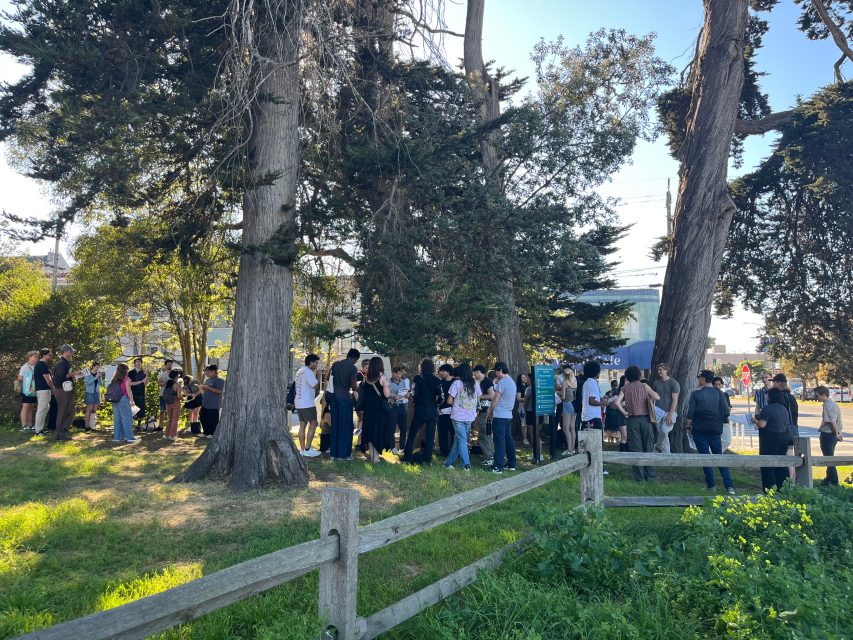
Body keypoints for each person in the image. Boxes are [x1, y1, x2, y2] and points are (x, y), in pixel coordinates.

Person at [686, 370, 736, 494]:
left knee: (705, 457)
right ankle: (729, 485)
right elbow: (726, 411)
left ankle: (711, 485)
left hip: (700, 428)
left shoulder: (696, 394)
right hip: (715, 429)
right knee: (719, 456)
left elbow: (690, 413)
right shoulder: (719, 394)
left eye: (699, 377)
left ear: (703, 379)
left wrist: (688, 427)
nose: (698, 380)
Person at [614, 366, 660, 482]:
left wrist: (625, 412)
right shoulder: (644, 386)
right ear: (639, 375)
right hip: (645, 419)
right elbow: (657, 397)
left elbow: (617, 402)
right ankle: (651, 476)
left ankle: (639, 477)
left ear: (627, 376)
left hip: (632, 420)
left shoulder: (625, 388)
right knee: (648, 447)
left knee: (635, 448)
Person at [751, 387, 793, 491]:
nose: (766, 397)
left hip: (769, 440)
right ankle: (783, 487)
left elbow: (762, 424)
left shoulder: (767, 409)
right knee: (781, 464)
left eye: (767, 395)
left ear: (770, 397)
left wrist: (754, 420)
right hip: (783, 438)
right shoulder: (784, 409)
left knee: (767, 464)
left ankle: (768, 488)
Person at [404, 358, 442, 464]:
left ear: (422, 367)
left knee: (412, 433)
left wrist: (415, 402)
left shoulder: (417, 378)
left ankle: (407, 456)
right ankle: (427, 459)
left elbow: (413, 392)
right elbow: (441, 396)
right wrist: (437, 405)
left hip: (420, 409)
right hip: (432, 410)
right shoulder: (437, 380)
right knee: (430, 436)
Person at [444, 363, 481, 470]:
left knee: (461, 439)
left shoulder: (457, 383)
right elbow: (478, 398)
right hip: (470, 416)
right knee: (459, 439)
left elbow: (449, 400)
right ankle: (448, 463)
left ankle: (466, 464)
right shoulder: (475, 383)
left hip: (458, 416)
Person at [359, 356, 394, 463]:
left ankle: (372, 456)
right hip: (379, 408)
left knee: (370, 431)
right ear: (380, 365)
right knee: (378, 431)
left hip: (369, 408)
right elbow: (387, 394)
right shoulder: (382, 377)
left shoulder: (366, 378)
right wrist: (395, 395)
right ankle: (376, 457)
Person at [330, 348, 360, 460]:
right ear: (354, 358)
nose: (355, 362)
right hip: (344, 398)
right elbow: (354, 386)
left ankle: (333, 453)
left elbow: (329, 380)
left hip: (333, 398)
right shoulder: (352, 368)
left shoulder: (335, 364)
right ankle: (343, 454)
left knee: (335, 426)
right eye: (356, 360)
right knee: (345, 427)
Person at [487, 362, 517, 474]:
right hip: (508, 415)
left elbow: (495, 399)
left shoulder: (502, 382)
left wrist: (489, 411)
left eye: (496, 371)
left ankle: (497, 466)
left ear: (500, 370)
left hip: (500, 415)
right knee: (508, 440)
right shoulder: (511, 381)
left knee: (499, 441)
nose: (495, 373)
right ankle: (511, 464)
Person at [773, 373, 799, 480]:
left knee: (786, 458)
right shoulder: (792, 397)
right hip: (793, 429)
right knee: (791, 456)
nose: (773, 384)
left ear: (779, 383)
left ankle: (789, 482)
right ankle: (792, 480)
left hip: (784, 431)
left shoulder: (781, 397)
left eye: (774, 382)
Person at [815, 386, 844, 486]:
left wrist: (836, 434)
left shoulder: (828, 405)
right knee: (828, 457)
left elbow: (832, 422)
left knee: (829, 459)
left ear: (823, 395)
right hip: (830, 434)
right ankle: (828, 479)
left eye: (817, 395)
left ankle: (834, 482)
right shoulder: (831, 403)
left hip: (828, 435)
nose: (816, 397)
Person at [295, 354, 321, 457]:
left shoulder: (300, 371)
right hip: (307, 403)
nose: (317, 365)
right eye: (316, 363)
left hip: (299, 402)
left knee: (302, 425)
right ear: (310, 363)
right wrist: (319, 375)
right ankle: (307, 448)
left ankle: (302, 449)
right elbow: (315, 385)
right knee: (314, 424)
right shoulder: (308, 371)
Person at [52, 344, 79, 441]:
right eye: (71, 352)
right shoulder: (61, 363)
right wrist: (73, 373)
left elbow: (65, 376)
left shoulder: (66, 363)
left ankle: (63, 431)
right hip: (62, 390)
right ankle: (59, 434)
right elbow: (59, 378)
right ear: (65, 352)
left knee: (71, 411)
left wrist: (74, 375)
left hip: (66, 390)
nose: (72, 353)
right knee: (63, 411)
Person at [652, 363, 681, 454]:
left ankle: (657, 447)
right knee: (662, 433)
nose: (659, 371)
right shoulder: (656, 383)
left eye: (661, 369)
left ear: (666, 370)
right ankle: (666, 453)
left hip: (669, 412)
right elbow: (653, 397)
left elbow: (675, 400)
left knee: (664, 431)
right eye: (658, 370)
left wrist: (670, 414)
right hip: (658, 412)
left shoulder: (674, 383)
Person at [108, 363, 140, 443]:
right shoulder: (127, 379)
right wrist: (132, 401)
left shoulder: (114, 379)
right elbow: (129, 391)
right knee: (127, 419)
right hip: (123, 399)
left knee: (117, 419)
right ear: (125, 371)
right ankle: (129, 437)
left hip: (115, 400)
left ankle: (117, 438)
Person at [473, 365, 496, 465]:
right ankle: (487, 456)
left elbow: (492, 395)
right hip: (480, 411)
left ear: (479, 372)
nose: (474, 374)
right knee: (482, 434)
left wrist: (479, 397)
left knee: (485, 434)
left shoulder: (487, 381)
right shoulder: (478, 382)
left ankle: (489, 457)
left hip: (486, 411)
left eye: (475, 372)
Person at [389, 365, 412, 455]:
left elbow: (408, 392)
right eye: (396, 373)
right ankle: (392, 447)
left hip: (402, 406)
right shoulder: (388, 382)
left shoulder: (404, 382)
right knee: (392, 428)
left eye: (400, 373)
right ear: (392, 373)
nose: (398, 375)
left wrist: (408, 394)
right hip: (393, 406)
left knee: (404, 428)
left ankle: (402, 448)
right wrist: (394, 396)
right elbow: (387, 395)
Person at [199, 364, 225, 438]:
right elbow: (205, 389)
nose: (206, 373)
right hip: (205, 403)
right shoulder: (208, 379)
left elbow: (219, 391)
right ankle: (205, 432)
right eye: (205, 371)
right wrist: (201, 388)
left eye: (208, 371)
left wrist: (208, 387)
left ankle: (212, 433)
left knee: (213, 419)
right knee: (203, 417)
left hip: (214, 404)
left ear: (214, 371)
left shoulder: (219, 380)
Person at [33, 348, 54, 435]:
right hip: (43, 390)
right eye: (50, 355)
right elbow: (48, 380)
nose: (51, 356)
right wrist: (54, 388)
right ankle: (38, 430)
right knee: (42, 409)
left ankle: (40, 428)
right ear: (44, 355)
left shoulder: (41, 364)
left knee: (45, 408)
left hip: (43, 389)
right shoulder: (42, 365)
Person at [604, 378, 627, 452]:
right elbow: (613, 405)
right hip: (620, 415)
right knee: (624, 436)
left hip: (616, 415)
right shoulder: (618, 391)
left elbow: (610, 405)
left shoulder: (610, 392)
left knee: (624, 436)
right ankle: (623, 452)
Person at [580, 361, 605, 430]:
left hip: (587, 416)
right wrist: (603, 403)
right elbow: (592, 401)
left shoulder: (587, 382)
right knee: (596, 440)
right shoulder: (592, 383)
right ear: (596, 372)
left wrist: (601, 399)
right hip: (593, 417)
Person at [17, 351, 38, 432]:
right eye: (34, 356)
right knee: (25, 407)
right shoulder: (25, 367)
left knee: (31, 407)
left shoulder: (36, 366)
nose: (36, 358)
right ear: (29, 357)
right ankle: (24, 426)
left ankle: (29, 426)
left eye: (37, 356)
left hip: (34, 390)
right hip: (26, 390)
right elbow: (19, 378)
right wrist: (30, 377)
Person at [436, 364, 455, 456]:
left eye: (444, 371)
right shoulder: (439, 383)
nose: (441, 373)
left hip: (455, 410)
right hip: (442, 410)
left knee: (453, 431)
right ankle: (443, 451)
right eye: (440, 371)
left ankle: (454, 450)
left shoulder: (456, 382)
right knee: (442, 431)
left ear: (449, 372)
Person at [560, 367, 577, 454]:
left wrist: (558, 394)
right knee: (572, 427)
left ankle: (569, 449)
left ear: (564, 375)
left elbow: (563, 397)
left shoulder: (564, 383)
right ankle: (573, 448)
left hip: (567, 404)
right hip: (574, 405)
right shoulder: (574, 383)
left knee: (566, 428)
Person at [128, 358, 149, 430]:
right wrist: (140, 382)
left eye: (140, 362)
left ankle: (139, 425)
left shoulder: (144, 372)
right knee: (131, 409)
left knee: (140, 409)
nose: (138, 363)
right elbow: (129, 383)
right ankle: (130, 425)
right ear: (134, 364)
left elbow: (145, 383)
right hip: (132, 393)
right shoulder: (131, 372)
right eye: (137, 362)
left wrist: (147, 375)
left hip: (141, 393)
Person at [713, 376, 733, 451]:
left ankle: (716, 452)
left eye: (719, 384)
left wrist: (727, 409)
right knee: (715, 439)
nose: (717, 386)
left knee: (727, 440)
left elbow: (729, 407)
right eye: (715, 384)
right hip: (713, 421)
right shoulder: (710, 395)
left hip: (724, 420)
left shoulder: (725, 395)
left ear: (722, 385)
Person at [83, 362, 105, 431]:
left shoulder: (98, 374)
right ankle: (86, 426)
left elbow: (101, 384)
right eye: (97, 367)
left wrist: (100, 378)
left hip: (96, 393)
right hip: (89, 393)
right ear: (93, 367)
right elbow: (88, 383)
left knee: (94, 410)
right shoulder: (88, 374)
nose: (98, 368)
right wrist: (96, 377)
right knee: (89, 409)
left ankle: (92, 426)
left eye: (99, 367)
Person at [162, 370, 183, 441]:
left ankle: (166, 435)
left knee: (170, 419)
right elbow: (179, 396)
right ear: (176, 376)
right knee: (175, 419)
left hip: (168, 403)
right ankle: (172, 436)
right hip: (176, 402)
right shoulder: (177, 385)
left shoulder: (168, 383)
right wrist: (183, 398)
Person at [157, 360, 174, 430]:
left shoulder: (175, 374)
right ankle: (160, 426)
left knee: (171, 411)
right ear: (165, 365)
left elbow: (176, 384)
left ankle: (171, 426)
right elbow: (159, 383)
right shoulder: (162, 374)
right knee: (162, 410)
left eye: (170, 364)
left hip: (172, 395)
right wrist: (168, 383)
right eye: (168, 364)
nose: (169, 366)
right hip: (163, 394)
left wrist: (165, 383)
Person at [516, 373, 530, 446]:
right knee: (523, 422)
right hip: (522, 406)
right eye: (523, 377)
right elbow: (518, 398)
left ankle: (531, 437)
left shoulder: (528, 386)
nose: (525, 378)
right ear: (520, 379)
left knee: (529, 422)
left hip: (529, 406)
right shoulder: (519, 387)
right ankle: (524, 438)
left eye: (525, 377)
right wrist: (527, 398)